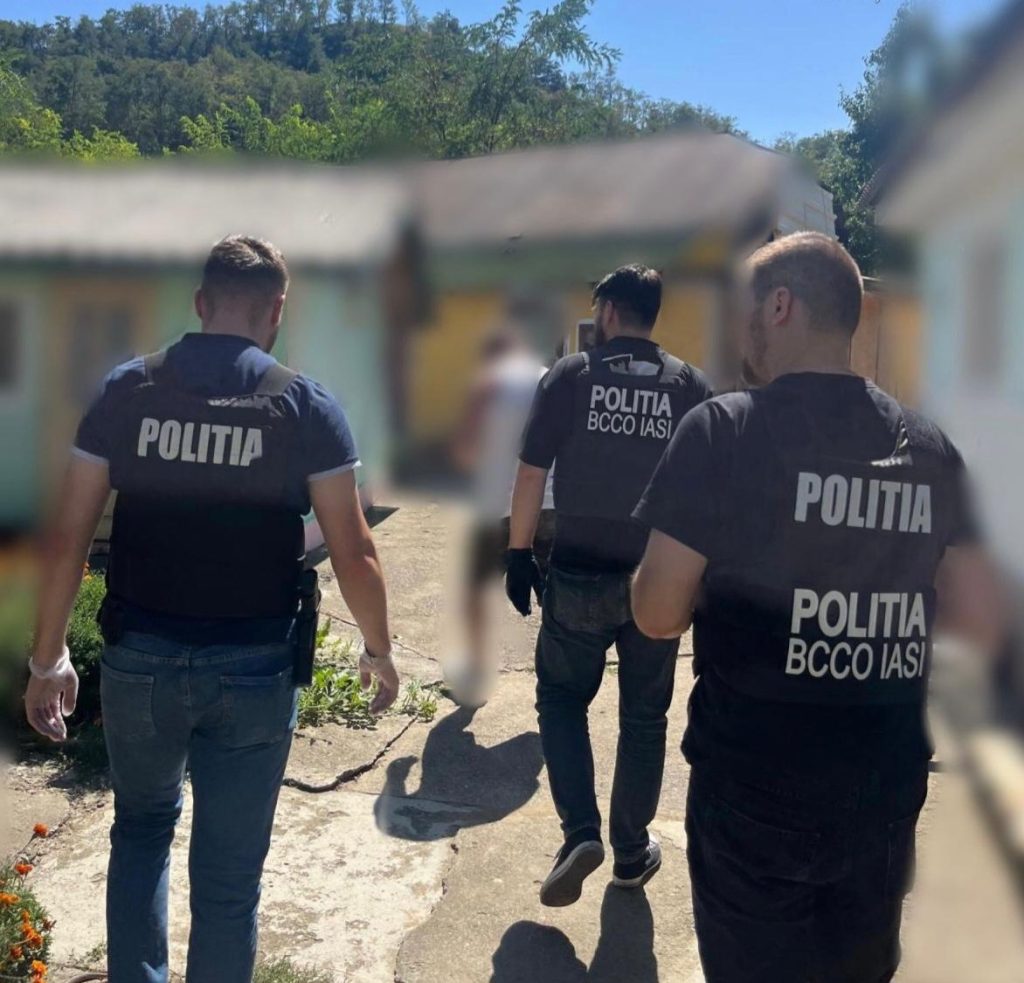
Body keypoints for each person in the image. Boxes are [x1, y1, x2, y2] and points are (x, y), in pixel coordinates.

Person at [23, 235, 400, 983]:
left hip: (140, 658)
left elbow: (67, 535)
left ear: (200, 303)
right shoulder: (305, 405)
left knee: (141, 832)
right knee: (229, 877)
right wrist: (379, 650)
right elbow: (354, 549)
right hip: (256, 668)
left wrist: (48, 658)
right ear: (277, 311)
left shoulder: (126, 391)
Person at [632, 231, 1004, 983]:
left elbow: (657, 613)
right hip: (884, 791)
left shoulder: (724, 431)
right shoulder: (931, 449)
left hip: (754, 790)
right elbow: (976, 621)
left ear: (780, 305)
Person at [506, 264, 712, 906]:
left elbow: (532, 472)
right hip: (657, 578)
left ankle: (580, 833)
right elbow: (709, 495)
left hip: (579, 570)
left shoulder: (571, 375)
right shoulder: (689, 385)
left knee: (562, 698)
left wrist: (517, 553)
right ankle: (629, 850)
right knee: (644, 717)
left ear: (611, 311)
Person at [449, 325, 556, 707]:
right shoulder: (551, 380)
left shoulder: (486, 384)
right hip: (549, 503)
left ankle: (476, 676)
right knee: (556, 597)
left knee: (474, 589)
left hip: (495, 508)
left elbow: (464, 451)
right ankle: (555, 681)